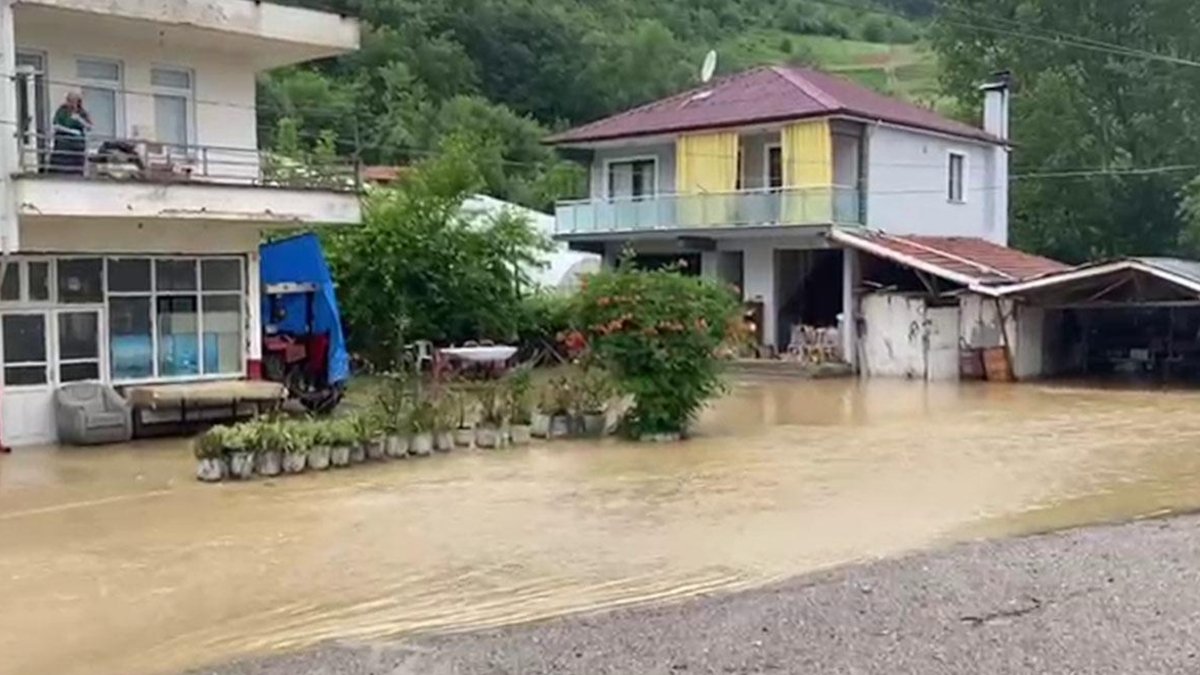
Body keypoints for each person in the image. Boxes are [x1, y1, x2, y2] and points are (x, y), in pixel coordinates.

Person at [49, 92, 91, 174]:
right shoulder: (62, 110)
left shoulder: (81, 112)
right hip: (63, 144)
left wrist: (79, 119)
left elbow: (89, 127)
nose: (72, 104)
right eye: (70, 101)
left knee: (76, 170)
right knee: (61, 168)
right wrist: (71, 131)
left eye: (75, 101)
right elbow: (56, 125)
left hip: (77, 147)